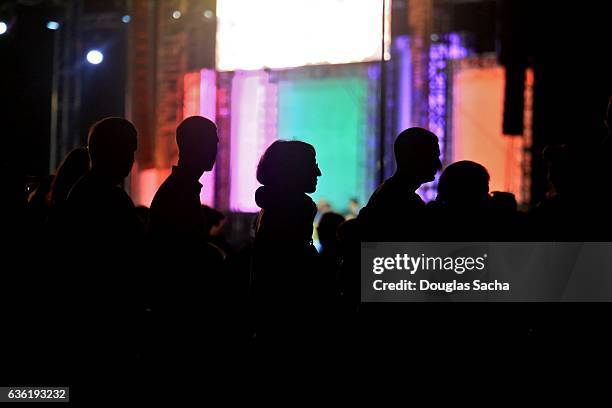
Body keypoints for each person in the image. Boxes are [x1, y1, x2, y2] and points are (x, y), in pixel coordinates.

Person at [252, 140, 327, 339]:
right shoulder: (291, 215)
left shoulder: (273, 211)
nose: (318, 173)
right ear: (294, 170)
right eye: (312, 164)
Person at [358, 127, 442, 241]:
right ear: (414, 157)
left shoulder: (390, 191)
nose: (439, 164)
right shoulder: (402, 200)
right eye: (433, 157)